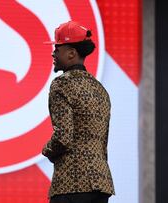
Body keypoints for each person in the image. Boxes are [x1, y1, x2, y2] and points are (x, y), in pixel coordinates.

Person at [42, 21, 115, 203]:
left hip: (72, 184)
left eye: (57, 48)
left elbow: (63, 137)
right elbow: (102, 142)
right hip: (102, 183)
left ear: (71, 53)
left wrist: (47, 151)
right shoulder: (100, 89)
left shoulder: (62, 84)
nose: (53, 53)